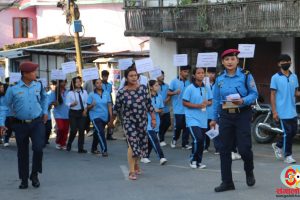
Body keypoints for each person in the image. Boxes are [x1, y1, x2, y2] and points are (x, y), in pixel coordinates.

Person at [210, 49, 258, 192]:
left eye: (232, 59)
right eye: (226, 60)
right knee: (224, 149)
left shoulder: (246, 76)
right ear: (223, 62)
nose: (229, 62)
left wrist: (243, 100)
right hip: (225, 115)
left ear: (237, 61)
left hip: (242, 114)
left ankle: (249, 170)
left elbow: (254, 94)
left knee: (244, 149)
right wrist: (214, 118)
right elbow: (216, 100)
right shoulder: (219, 78)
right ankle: (227, 182)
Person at [0, 61, 48, 189]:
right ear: (25, 74)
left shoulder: (38, 85)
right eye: (33, 72)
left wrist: (45, 111)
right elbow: (4, 106)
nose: (35, 74)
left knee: (38, 148)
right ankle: (24, 179)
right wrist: (1, 123)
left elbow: (44, 98)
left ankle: (34, 174)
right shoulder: (13, 88)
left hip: (37, 122)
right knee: (22, 153)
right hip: (20, 125)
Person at [111, 66, 156, 180]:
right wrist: (111, 121)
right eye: (131, 76)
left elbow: (149, 104)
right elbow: (116, 108)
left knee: (140, 144)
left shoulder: (143, 88)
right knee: (132, 144)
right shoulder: (122, 92)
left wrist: (153, 118)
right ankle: (131, 171)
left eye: (135, 75)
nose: (133, 77)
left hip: (142, 121)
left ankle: (136, 164)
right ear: (126, 78)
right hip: (128, 121)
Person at [271, 54, 299, 164]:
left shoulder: (294, 77)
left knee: (293, 132)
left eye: (288, 61)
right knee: (287, 133)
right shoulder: (275, 77)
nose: (286, 63)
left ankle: (278, 145)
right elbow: (272, 94)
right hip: (282, 111)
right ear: (279, 64)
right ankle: (288, 155)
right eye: (283, 61)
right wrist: (274, 111)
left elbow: (296, 92)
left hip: (292, 110)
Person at [183, 67, 212, 169]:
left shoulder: (206, 88)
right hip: (192, 118)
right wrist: (198, 105)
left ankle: (198, 162)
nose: (201, 74)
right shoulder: (190, 88)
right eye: (198, 73)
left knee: (201, 141)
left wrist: (207, 103)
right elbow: (184, 102)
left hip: (203, 118)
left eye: (202, 73)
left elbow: (210, 101)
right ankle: (192, 160)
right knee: (198, 138)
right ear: (194, 75)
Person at [141, 80, 167, 165]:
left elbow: (162, 110)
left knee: (151, 141)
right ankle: (161, 157)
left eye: (158, 85)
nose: (158, 87)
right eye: (156, 85)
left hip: (157, 121)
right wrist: (150, 109)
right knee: (155, 140)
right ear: (151, 87)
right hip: (147, 121)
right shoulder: (146, 97)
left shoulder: (159, 96)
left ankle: (145, 156)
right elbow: (141, 109)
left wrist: (158, 110)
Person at [87, 78, 112, 157]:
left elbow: (109, 105)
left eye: (100, 83)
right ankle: (104, 150)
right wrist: (91, 105)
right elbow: (87, 107)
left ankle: (93, 148)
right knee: (101, 132)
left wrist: (111, 117)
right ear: (94, 85)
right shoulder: (91, 94)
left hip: (104, 116)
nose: (99, 84)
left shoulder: (106, 93)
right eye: (97, 83)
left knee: (97, 133)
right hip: (95, 117)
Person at [168, 65, 191, 149]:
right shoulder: (174, 81)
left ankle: (185, 144)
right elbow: (168, 93)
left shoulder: (188, 82)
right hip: (178, 109)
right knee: (178, 126)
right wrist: (175, 92)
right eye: (185, 72)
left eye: (187, 72)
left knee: (187, 127)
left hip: (187, 108)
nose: (187, 73)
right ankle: (174, 139)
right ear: (180, 71)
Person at [66, 76, 88, 153]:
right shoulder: (70, 93)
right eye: (77, 82)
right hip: (73, 113)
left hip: (81, 112)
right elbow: (67, 104)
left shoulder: (84, 92)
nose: (79, 83)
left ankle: (80, 148)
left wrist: (85, 110)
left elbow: (86, 102)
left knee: (82, 130)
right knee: (74, 130)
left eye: (80, 81)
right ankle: (69, 143)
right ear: (74, 83)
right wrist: (72, 104)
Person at [49, 80, 69, 150]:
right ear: (59, 82)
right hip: (58, 113)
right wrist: (54, 103)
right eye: (62, 82)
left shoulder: (68, 91)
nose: (64, 83)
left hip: (67, 113)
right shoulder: (54, 92)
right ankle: (58, 142)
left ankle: (63, 143)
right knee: (61, 128)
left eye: (65, 82)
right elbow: (50, 102)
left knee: (66, 129)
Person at [205, 68, 221, 155]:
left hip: (215, 111)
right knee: (205, 131)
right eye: (209, 73)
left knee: (215, 130)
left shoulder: (218, 83)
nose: (211, 75)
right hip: (205, 111)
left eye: (213, 73)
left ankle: (217, 148)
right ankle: (205, 147)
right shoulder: (203, 84)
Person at [157, 70, 171, 147]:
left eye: (163, 75)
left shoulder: (166, 85)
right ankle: (161, 139)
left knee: (167, 123)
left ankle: (160, 135)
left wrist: (167, 100)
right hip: (158, 108)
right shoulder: (155, 85)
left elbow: (169, 94)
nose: (162, 77)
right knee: (159, 124)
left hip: (166, 107)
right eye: (160, 76)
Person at [101, 70, 116, 140]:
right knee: (103, 118)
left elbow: (110, 94)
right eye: (104, 76)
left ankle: (109, 134)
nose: (105, 78)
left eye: (106, 76)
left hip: (109, 102)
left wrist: (112, 102)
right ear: (102, 76)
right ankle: (102, 133)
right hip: (103, 103)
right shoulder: (100, 84)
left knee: (111, 118)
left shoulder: (110, 85)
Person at [0, 82, 14, 147]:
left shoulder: (11, 96)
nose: (1, 88)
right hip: (4, 115)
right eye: (0, 87)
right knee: (6, 128)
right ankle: (5, 140)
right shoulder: (1, 97)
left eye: (2, 87)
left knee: (12, 128)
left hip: (13, 115)